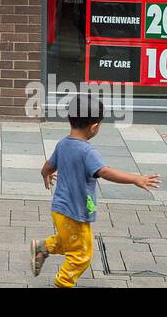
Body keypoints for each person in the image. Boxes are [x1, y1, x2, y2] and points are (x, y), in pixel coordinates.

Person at [31, 95, 160, 288]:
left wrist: (45, 175)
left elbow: (48, 165)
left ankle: (42, 248)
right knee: (82, 255)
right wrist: (135, 179)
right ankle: (63, 282)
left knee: (70, 242)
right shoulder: (87, 152)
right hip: (74, 213)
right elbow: (105, 172)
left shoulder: (63, 144)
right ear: (94, 127)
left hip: (60, 209)